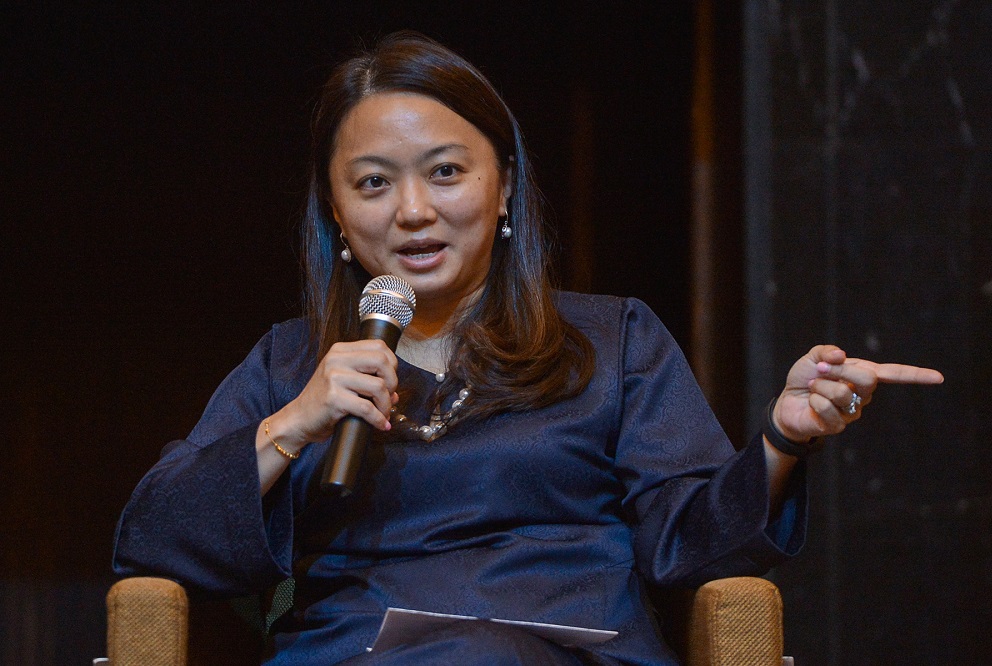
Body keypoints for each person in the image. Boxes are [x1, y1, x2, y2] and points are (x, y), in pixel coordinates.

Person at [112, 31, 943, 665]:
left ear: (502, 183)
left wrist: (782, 437)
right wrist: (294, 424)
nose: (412, 211)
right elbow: (151, 539)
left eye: (445, 172)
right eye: (373, 182)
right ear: (334, 209)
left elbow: (691, 545)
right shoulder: (292, 364)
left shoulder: (613, 341)